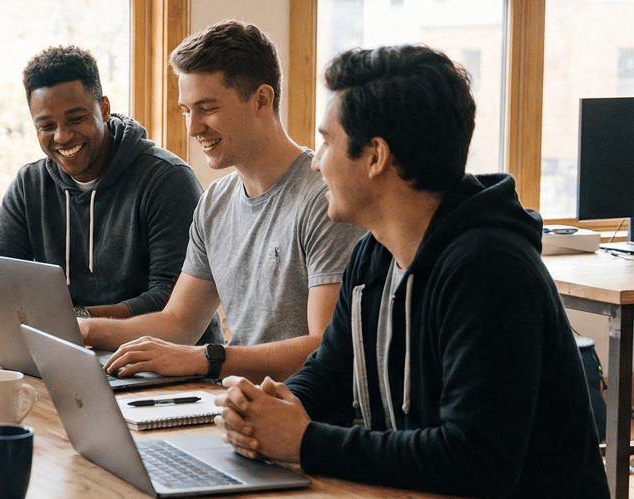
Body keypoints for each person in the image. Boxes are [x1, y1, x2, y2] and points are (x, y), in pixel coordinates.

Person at [214, 44, 608, 497]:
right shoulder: (372, 254)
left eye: (327, 141)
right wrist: (269, 406)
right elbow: (332, 372)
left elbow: (474, 459)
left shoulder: (490, 270)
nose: (317, 161)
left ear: (376, 156)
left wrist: (304, 440)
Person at [88, 20, 366, 382]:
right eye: (187, 111)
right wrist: (85, 330)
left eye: (207, 108)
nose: (192, 128)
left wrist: (207, 359)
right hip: (232, 402)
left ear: (262, 100)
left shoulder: (323, 200)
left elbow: (326, 347)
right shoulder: (215, 202)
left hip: (303, 415)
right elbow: (179, 324)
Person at [0, 46, 217, 340]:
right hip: (67, 354)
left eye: (76, 119)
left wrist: (78, 320)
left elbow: (169, 301)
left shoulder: (167, 179)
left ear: (104, 108)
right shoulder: (30, 185)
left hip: (169, 364)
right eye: (47, 126)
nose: (62, 136)